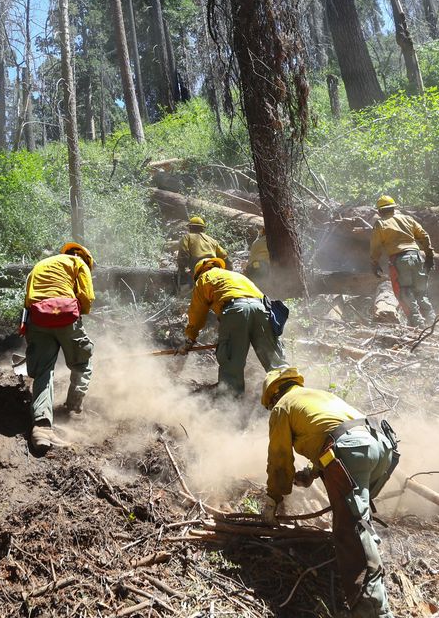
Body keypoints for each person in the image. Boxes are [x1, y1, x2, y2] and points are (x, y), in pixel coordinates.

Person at [262, 368, 400, 617]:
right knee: (356, 519)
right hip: (382, 449)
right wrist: (312, 472)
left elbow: (280, 458)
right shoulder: (315, 396)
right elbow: (337, 433)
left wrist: (274, 497)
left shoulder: (282, 407)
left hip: (352, 453)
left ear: (272, 396)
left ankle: (373, 610)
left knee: (353, 530)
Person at [23, 242, 96, 452]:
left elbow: (28, 299)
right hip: (65, 317)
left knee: (44, 371)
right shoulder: (78, 263)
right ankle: (73, 409)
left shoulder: (40, 265)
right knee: (82, 362)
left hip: (37, 319)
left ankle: (42, 427)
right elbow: (87, 297)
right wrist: (80, 311)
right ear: (84, 258)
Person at [183, 257, 285, 393]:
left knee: (231, 363)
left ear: (198, 273)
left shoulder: (204, 278)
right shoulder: (236, 275)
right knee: (274, 358)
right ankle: (288, 390)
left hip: (235, 311)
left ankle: (229, 403)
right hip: (262, 309)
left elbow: (197, 313)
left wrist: (190, 339)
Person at [369, 195, 435, 326]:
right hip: (416, 257)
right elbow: (424, 236)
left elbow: (375, 246)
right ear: (394, 208)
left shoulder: (380, 224)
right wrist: (429, 255)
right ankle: (432, 321)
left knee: (405, 291)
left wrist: (374, 263)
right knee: (421, 292)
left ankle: (417, 324)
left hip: (399, 260)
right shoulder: (408, 219)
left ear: (380, 211)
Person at [175, 216, 228, 282]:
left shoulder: (187, 237)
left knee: (189, 289)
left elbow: (184, 254)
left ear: (190, 227)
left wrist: (182, 270)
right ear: (203, 228)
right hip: (214, 265)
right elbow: (224, 255)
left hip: (199, 267)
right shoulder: (211, 239)